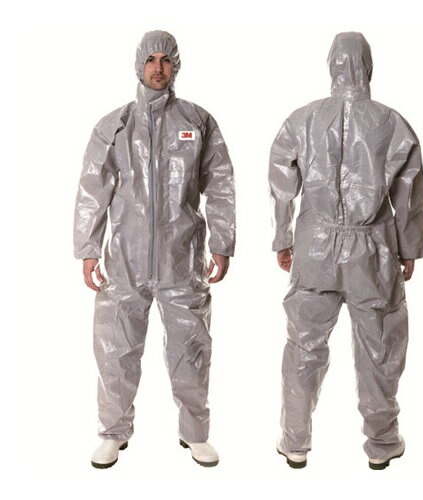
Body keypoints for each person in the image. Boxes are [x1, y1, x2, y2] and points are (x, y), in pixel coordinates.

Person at [73, 30, 235, 469]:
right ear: (139, 65)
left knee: (191, 349)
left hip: (183, 260)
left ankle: (195, 434)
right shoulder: (115, 126)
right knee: (116, 350)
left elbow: (220, 185)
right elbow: (93, 189)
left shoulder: (197, 122)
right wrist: (88, 248)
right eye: (151, 60)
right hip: (125, 259)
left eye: (166, 60)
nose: (158, 68)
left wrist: (222, 242)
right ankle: (113, 434)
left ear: (175, 65)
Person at [269, 32, 423, 470]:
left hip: (314, 248)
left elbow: (281, 181)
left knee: (304, 346)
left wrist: (283, 237)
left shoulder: (302, 120)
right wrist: (408, 247)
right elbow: (409, 194)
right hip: (372, 250)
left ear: (332, 66)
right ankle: (382, 443)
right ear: (368, 67)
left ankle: (294, 441)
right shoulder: (391, 123)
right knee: (379, 348)